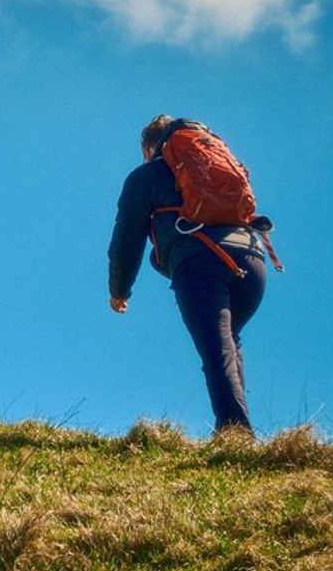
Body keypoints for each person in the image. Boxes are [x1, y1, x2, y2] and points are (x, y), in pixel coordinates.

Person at [107, 115, 269, 435]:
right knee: (227, 343)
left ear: (150, 147)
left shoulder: (148, 174)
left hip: (202, 261)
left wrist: (119, 290)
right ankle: (237, 429)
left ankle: (235, 432)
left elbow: (127, 237)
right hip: (253, 261)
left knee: (216, 348)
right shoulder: (216, 161)